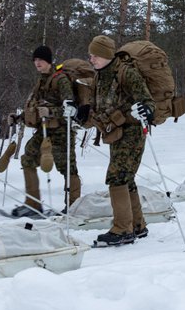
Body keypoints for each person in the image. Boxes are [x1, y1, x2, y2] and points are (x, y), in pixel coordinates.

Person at [86, 35, 154, 246]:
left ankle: (122, 229)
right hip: (115, 133)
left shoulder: (127, 72)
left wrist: (147, 109)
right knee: (126, 177)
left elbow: (147, 100)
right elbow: (99, 104)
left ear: (107, 55)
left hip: (133, 132)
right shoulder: (99, 75)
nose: (91, 59)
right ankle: (137, 225)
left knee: (116, 176)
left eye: (95, 55)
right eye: (90, 55)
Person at [10, 45, 86, 217]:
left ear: (48, 61)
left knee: (67, 167)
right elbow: (37, 106)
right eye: (35, 60)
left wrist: (52, 112)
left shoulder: (61, 80)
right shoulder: (41, 81)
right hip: (43, 130)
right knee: (28, 158)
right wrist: (20, 117)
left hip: (61, 132)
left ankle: (73, 208)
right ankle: (32, 204)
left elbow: (71, 108)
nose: (37, 63)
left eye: (41, 60)